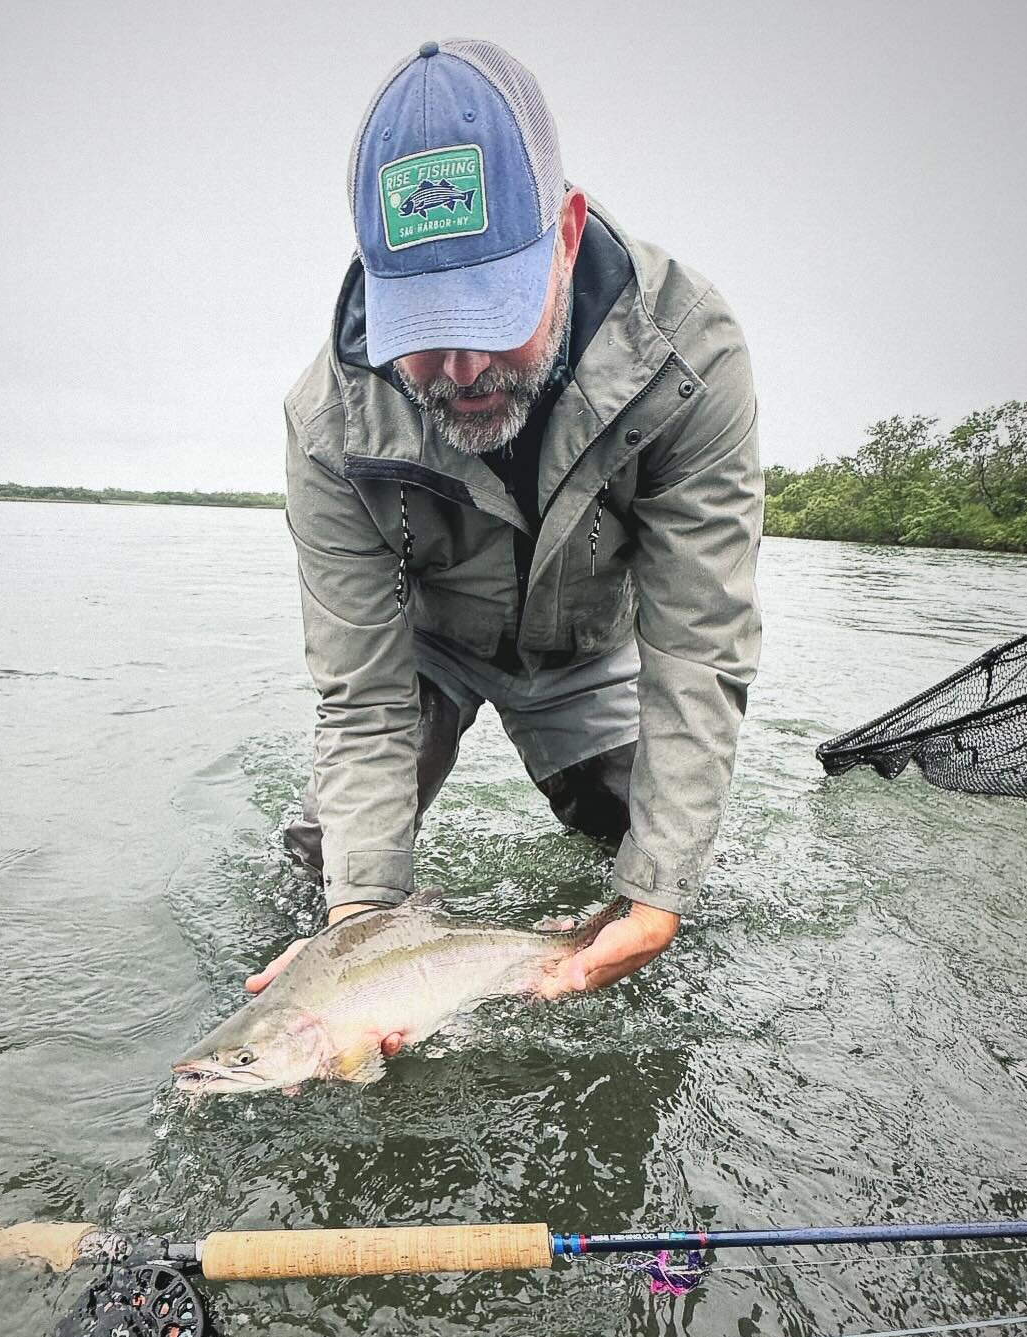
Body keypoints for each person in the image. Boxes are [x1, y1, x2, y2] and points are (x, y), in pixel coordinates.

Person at [247, 38, 762, 1047]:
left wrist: (656, 898)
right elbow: (362, 696)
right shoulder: (329, 423)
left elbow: (697, 651)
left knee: (659, 866)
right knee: (318, 874)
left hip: (584, 650)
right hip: (426, 655)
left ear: (566, 233)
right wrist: (360, 938)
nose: (464, 364)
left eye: (491, 308)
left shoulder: (691, 355)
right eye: (425, 325)